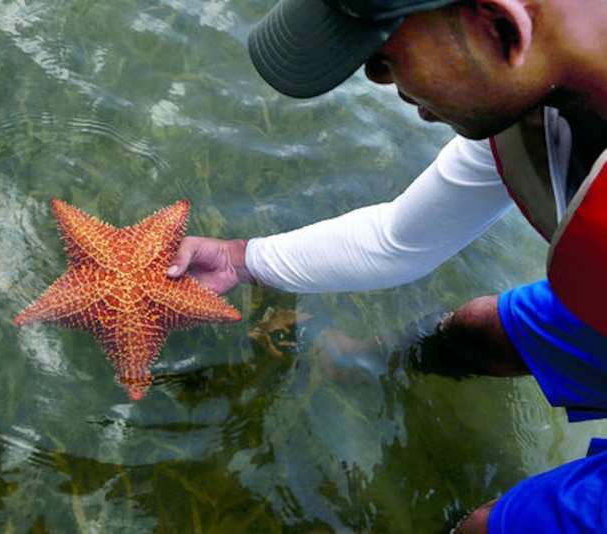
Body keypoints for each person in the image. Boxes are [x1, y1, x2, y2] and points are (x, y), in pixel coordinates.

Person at [167, 0, 607, 531]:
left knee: (490, 527)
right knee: (477, 329)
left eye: (381, 59)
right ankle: (364, 361)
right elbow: (399, 238)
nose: (376, 80)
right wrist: (241, 259)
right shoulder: (526, 89)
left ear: (497, 28)